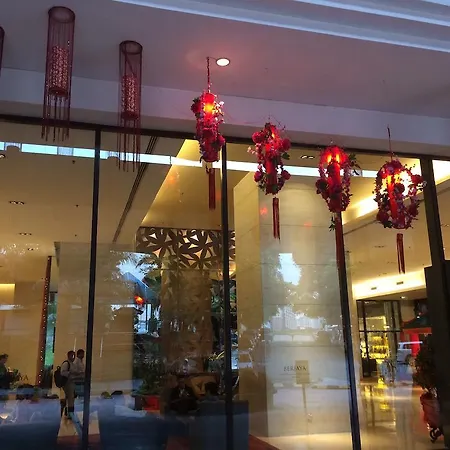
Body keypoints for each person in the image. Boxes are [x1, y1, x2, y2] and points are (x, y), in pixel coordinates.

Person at [61, 350, 76, 418]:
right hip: (67, 383)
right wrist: (70, 374)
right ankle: (70, 413)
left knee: (70, 398)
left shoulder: (72, 364)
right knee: (70, 398)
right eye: (72, 355)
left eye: (74, 356)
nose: (73, 357)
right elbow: (62, 373)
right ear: (68, 356)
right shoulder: (66, 363)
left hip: (71, 382)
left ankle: (68, 412)